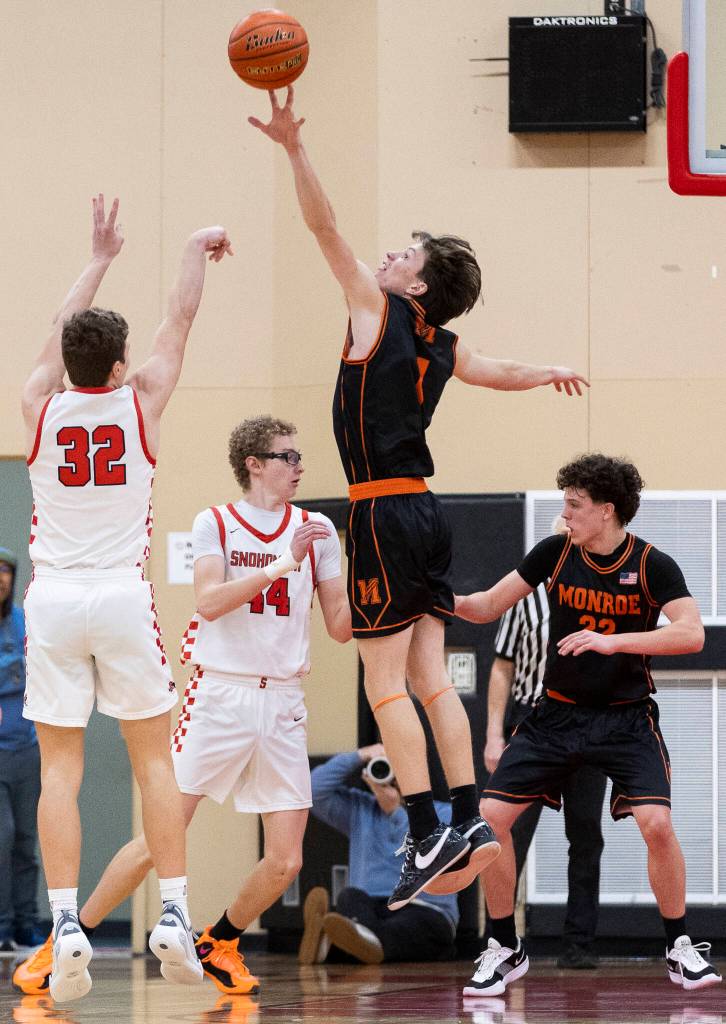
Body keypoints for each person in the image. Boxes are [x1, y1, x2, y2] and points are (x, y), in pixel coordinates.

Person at [249, 86, 589, 910]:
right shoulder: (441, 340)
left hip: (379, 510)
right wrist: (545, 371)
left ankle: (429, 824)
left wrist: (294, 147)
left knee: (382, 685)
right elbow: (494, 370)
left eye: (405, 255)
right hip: (427, 512)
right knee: (434, 680)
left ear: (416, 286)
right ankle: (469, 816)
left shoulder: (377, 309)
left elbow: (322, 229)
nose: (389, 257)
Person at [15, 415, 351, 998]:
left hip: (285, 701)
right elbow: (210, 600)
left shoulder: (318, 527)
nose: (299, 466)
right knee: (156, 841)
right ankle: (67, 938)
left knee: (286, 861)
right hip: (219, 692)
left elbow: (342, 627)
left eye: (298, 457)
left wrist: (394, 596)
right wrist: (281, 563)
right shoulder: (215, 521)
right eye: (287, 456)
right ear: (254, 463)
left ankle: (219, 940)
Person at [19, 194, 232, 1002]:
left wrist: (98, 258)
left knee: (60, 771)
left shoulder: (39, 405)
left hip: (52, 602)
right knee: (153, 761)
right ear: (118, 365)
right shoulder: (140, 401)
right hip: (117, 595)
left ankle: (66, 922)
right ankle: (174, 911)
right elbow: (179, 320)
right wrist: (190, 246)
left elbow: (57, 328)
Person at [455, 454, 722, 997]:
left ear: (606, 511)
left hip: (626, 719)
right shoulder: (554, 554)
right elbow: (485, 607)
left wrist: (614, 641)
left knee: (656, 826)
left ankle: (679, 946)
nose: (565, 513)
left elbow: (691, 634)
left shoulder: (652, 564)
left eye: (575, 505)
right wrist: (432, 599)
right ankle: (504, 945)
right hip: (556, 715)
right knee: (490, 820)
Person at [484, 523, 607, 970]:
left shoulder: (604, 594)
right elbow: (501, 667)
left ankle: (579, 944)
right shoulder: (523, 596)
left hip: (587, 722)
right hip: (532, 722)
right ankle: (497, 940)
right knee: (506, 829)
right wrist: (494, 734)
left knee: (586, 834)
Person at [299, 744, 459, 966]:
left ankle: (330, 946)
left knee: (402, 928)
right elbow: (312, 790)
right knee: (350, 896)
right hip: (370, 905)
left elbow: (425, 850)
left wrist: (395, 812)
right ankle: (357, 943)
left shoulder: (444, 813)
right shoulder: (360, 807)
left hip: (425, 909)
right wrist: (361, 756)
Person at [0, 548, 43, 952]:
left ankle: (27, 924)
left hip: (26, 748)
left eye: (5, 571)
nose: (0, 578)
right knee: (3, 835)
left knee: (28, 839)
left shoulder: (21, 620)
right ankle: (1, 923)